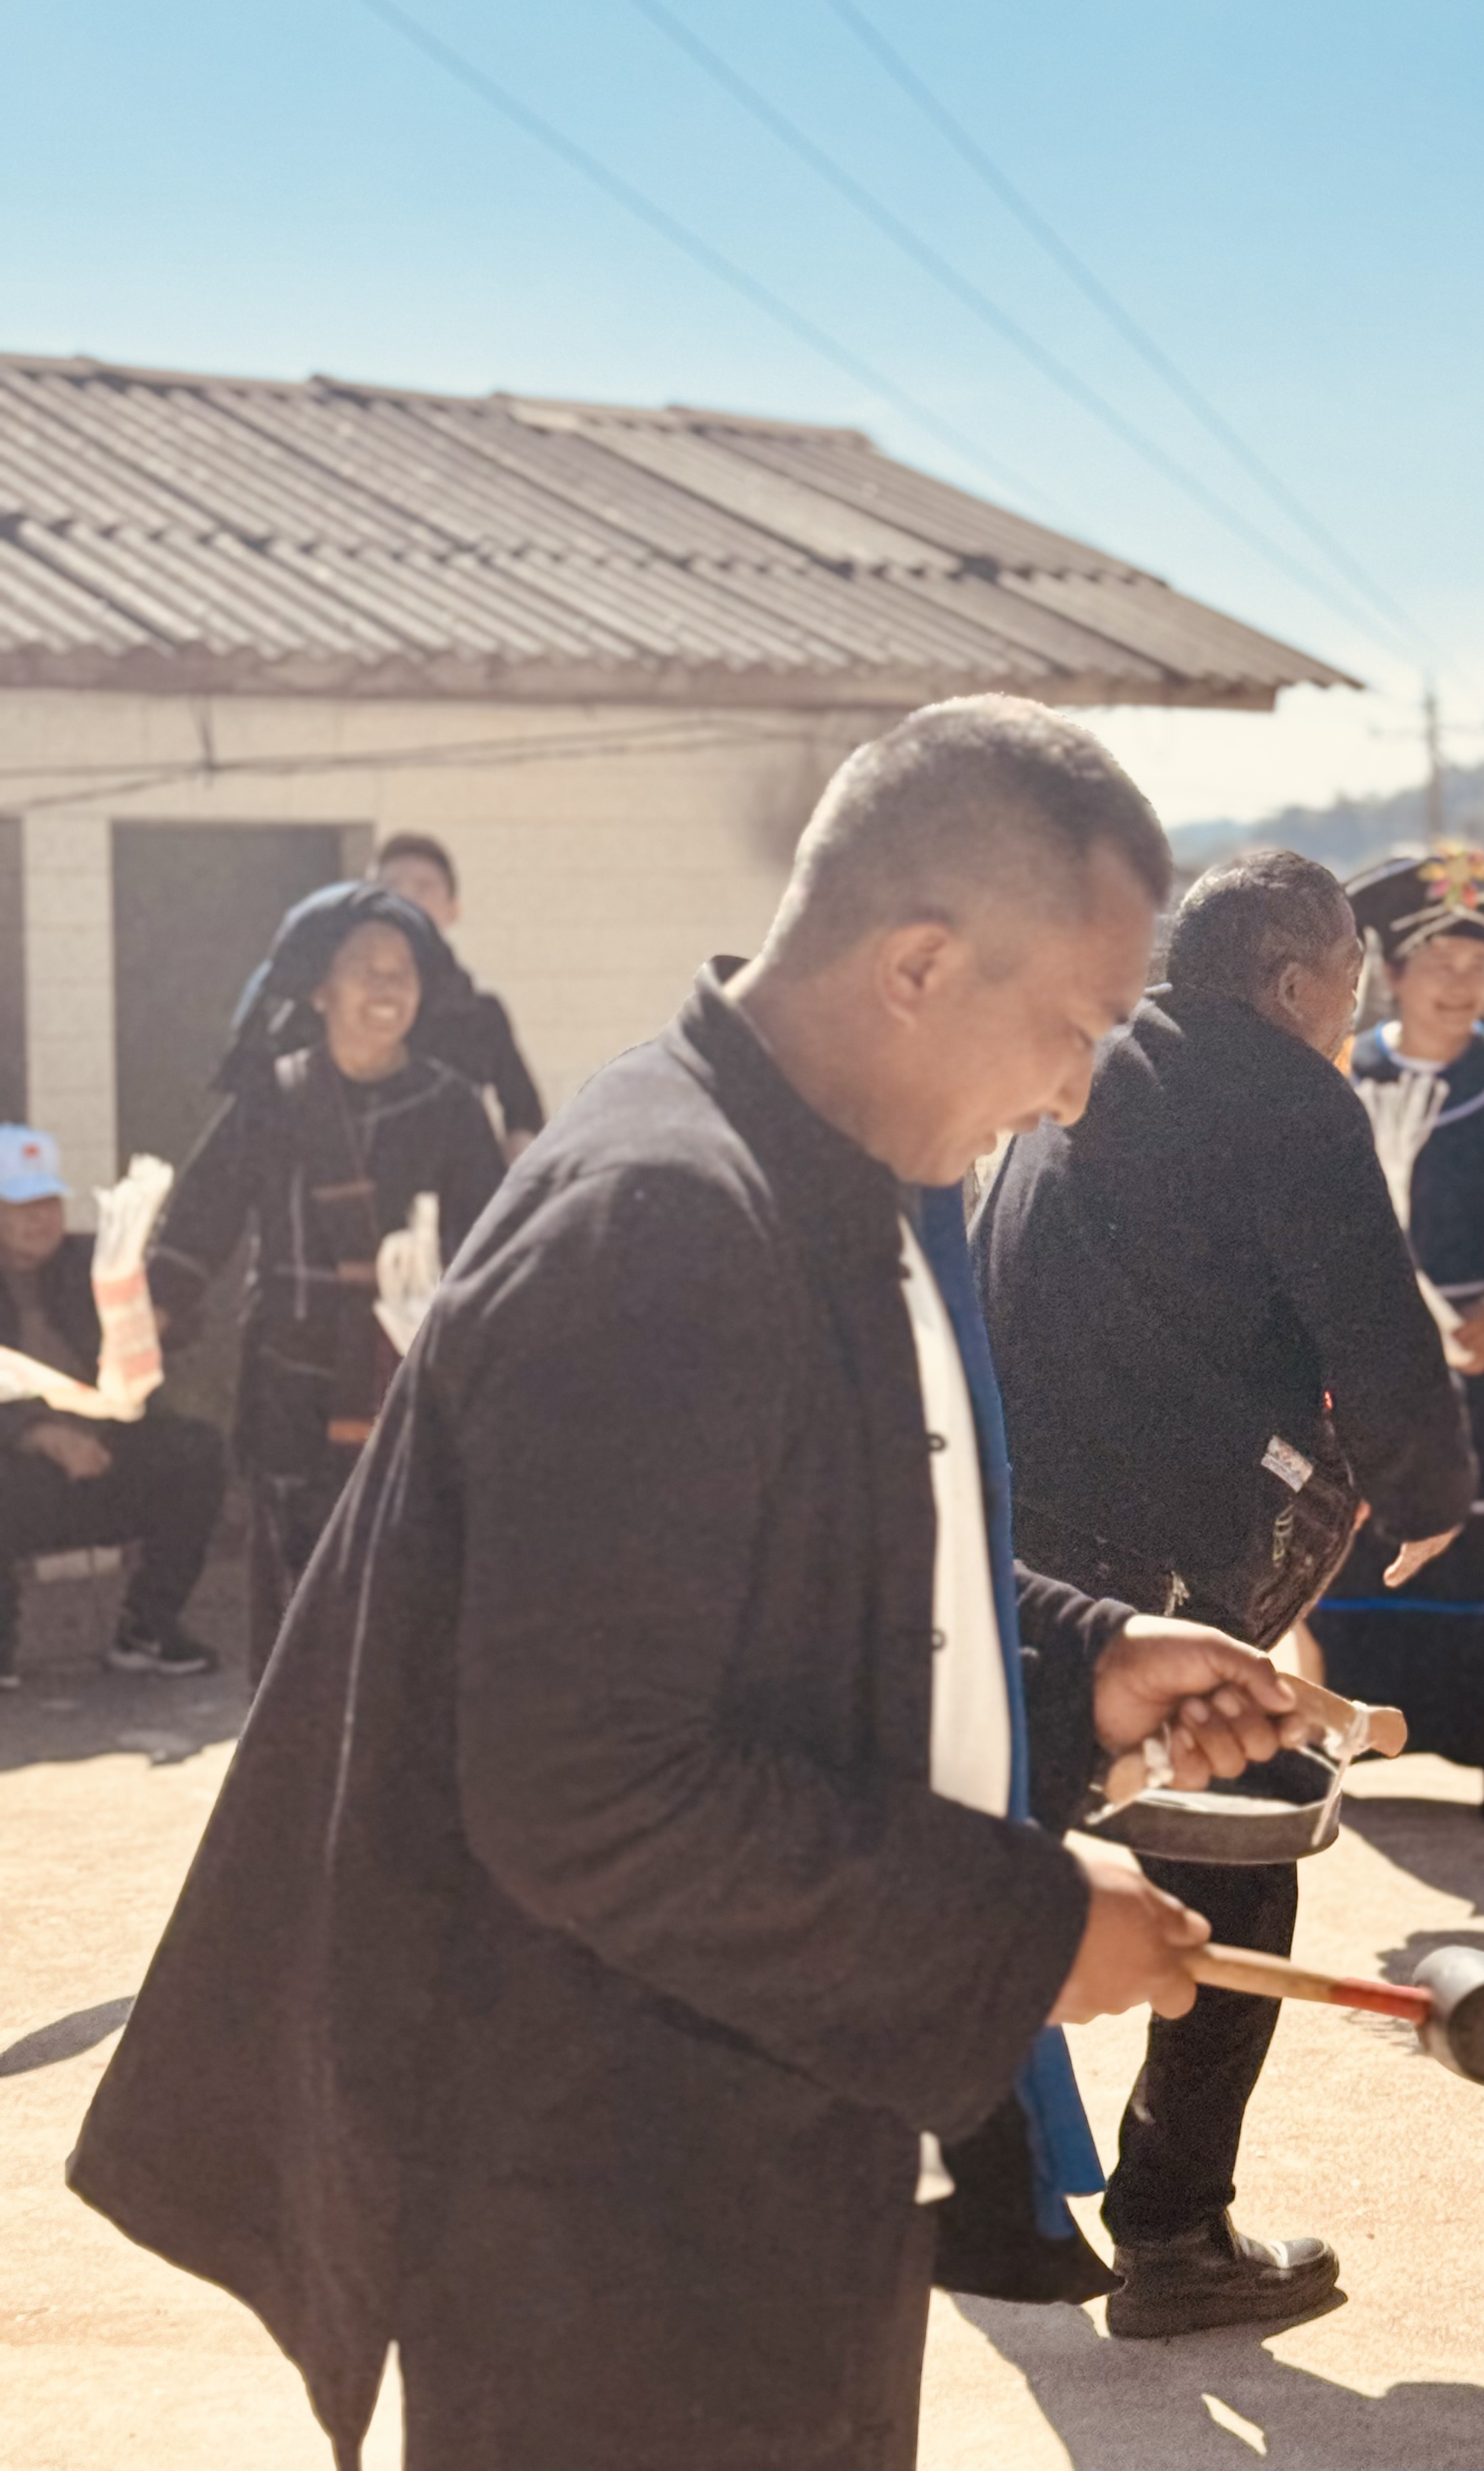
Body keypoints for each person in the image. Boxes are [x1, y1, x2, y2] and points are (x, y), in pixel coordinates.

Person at [70, 698, 1326, 2471]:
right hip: (607, 2207)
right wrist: (1025, 1930)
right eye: (1072, 1030)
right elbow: (594, 1796)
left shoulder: (810, 1182)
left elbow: (802, 1584)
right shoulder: (665, 1224)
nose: (1066, 1095)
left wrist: (1083, 1666)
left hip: (751, 2139)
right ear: (917, 964)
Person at [975, 844, 1473, 2338]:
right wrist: (1428, 1490)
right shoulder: (1280, 1085)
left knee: (997, 1852)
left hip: (1008, 1547)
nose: (1348, 1023)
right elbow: (1373, 1314)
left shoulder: (1088, 1054)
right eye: (1348, 993)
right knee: (1241, 1856)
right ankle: (1175, 2231)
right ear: (1289, 981)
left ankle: (997, 2205)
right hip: (1155, 1549)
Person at [149, 882, 505, 1679]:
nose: (387, 987)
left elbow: (494, 1251)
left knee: (404, 1600)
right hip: (290, 1391)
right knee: (294, 1607)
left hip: (407, 1392)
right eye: (365, 968)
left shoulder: (451, 1110)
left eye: (403, 971)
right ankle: (289, 1785)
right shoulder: (271, 1100)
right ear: (319, 988)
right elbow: (198, 1223)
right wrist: (144, 1324)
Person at [1312, 845, 1484, 1828]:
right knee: (1346, 1535)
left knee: (1478, 1527)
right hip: (1362, 1349)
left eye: (1480, 967)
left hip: (1479, 1350)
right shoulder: (1339, 1076)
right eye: (1442, 965)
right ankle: (1350, 1732)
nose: (1465, 986)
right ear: (1394, 972)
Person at [0, 1125, 223, 1685]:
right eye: (19, 1206)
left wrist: (160, 1319)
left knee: (193, 1451)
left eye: (47, 1203)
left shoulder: (87, 1261)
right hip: (18, 1464)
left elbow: (168, 1322)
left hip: (99, 1453)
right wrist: (41, 1435)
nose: (39, 1219)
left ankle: (147, 1626)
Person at [371, 832, 545, 1155]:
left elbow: (525, 1112)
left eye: (424, 888)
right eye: (390, 887)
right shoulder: (349, 1006)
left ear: (452, 910)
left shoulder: (482, 1014)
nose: (406, 898)